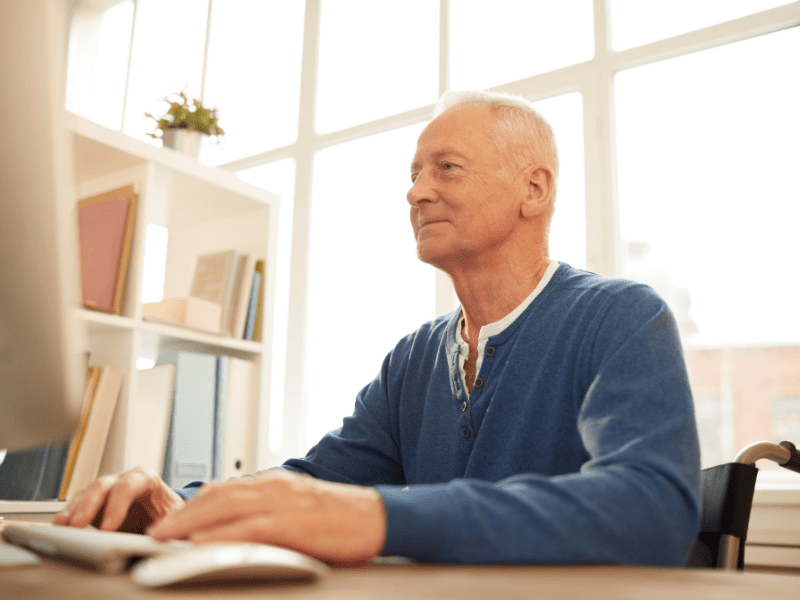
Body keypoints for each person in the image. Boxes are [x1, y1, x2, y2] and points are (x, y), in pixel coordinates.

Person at [55, 89, 702, 566]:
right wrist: (180, 499)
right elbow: (314, 483)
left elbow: (652, 512)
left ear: (534, 189)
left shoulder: (620, 316)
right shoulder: (415, 357)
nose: (416, 192)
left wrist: (378, 515)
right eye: (414, 173)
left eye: (446, 168)